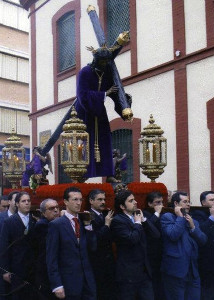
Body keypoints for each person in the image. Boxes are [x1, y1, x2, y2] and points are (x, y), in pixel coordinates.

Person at [75, 45, 132, 179]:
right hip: (85, 113)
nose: (105, 64)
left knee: (105, 142)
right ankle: (82, 174)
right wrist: (104, 94)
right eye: (102, 62)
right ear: (96, 60)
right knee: (85, 144)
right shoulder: (85, 72)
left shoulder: (107, 74)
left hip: (99, 113)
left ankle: (108, 174)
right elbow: (82, 95)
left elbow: (114, 93)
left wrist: (125, 103)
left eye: (107, 62)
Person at [46, 187, 97, 300]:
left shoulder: (84, 222)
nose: (79, 203)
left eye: (80, 200)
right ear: (65, 202)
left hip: (88, 282)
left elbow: (93, 247)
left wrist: (88, 226)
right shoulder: (56, 225)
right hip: (68, 282)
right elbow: (51, 257)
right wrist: (57, 285)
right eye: (75, 199)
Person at [111, 190, 160, 300]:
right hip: (128, 274)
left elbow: (156, 235)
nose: (135, 202)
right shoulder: (118, 221)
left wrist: (144, 220)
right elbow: (131, 239)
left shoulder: (137, 217)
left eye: (134, 199)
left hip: (144, 271)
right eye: (131, 200)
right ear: (122, 206)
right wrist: (138, 223)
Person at [160, 191, 207, 300]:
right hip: (175, 271)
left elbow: (203, 240)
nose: (188, 204)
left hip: (193, 271)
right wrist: (180, 218)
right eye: (185, 201)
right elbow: (173, 235)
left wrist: (192, 227)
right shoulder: (167, 217)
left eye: (189, 202)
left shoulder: (193, 220)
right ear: (176, 204)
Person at [0, 192, 37, 300]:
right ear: (17, 204)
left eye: (28, 201)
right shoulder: (9, 222)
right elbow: (4, 247)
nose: (27, 203)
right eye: (23, 201)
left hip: (32, 267)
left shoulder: (34, 220)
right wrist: (5, 270)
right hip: (16, 267)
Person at [192, 191, 214, 300]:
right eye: (211, 200)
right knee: (208, 292)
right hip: (207, 260)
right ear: (203, 203)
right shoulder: (198, 214)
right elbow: (200, 231)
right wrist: (212, 217)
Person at [88, 189, 116, 300]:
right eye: (99, 199)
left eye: (104, 199)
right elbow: (94, 239)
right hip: (96, 262)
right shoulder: (87, 217)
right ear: (91, 200)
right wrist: (106, 225)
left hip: (109, 261)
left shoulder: (106, 214)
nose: (103, 202)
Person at [34, 199, 60, 300]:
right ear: (43, 213)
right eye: (51, 208)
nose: (56, 210)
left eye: (57, 207)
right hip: (45, 273)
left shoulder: (55, 223)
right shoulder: (42, 225)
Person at [144, 192, 164, 300]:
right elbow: (149, 227)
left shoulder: (164, 213)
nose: (161, 205)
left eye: (161, 202)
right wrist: (156, 214)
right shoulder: (145, 214)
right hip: (150, 253)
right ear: (150, 204)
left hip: (161, 252)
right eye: (157, 203)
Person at [0, 191, 19, 300]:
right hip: (3, 264)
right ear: (9, 201)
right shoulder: (1, 218)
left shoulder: (28, 219)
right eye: (15, 200)